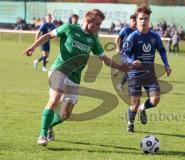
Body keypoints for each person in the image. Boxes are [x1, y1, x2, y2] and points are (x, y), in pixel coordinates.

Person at [22, 9, 127, 146]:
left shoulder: (93, 39)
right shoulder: (69, 28)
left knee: (65, 114)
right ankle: (42, 135)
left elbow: (104, 59)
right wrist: (33, 47)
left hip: (75, 77)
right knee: (54, 100)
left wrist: (120, 67)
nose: (99, 27)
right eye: (98, 24)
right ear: (89, 21)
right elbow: (48, 35)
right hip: (58, 70)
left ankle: (49, 126)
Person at [121, 4, 171, 132]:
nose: (143, 21)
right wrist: (132, 61)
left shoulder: (154, 36)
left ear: (149, 20)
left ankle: (143, 109)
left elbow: (162, 50)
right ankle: (130, 123)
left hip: (149, 74)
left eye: (146, 19)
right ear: (137, 20)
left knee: (155, 100)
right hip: (134, 75)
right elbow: (123, 54)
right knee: (134, 104)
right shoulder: (133, 37)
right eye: (141, 19)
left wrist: (166, 65)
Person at [114, 14, 137, 91]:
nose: (134, 22)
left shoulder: (137, 31)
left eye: (136, 21)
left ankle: (120, 82)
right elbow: (118, 38)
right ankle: (120, 83)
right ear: (130, 21)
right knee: (128, 69)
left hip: (133, 54)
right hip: (124, 52)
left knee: (129, 70)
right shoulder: (125, 30)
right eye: (133, 20)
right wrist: (118, 48)